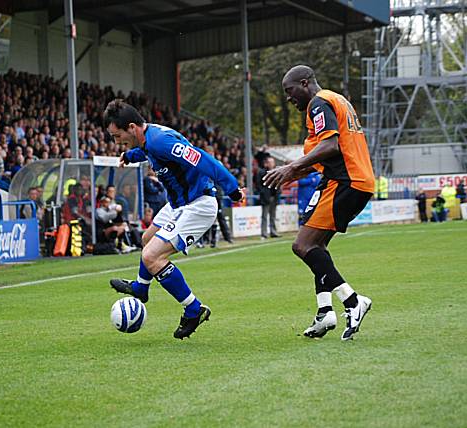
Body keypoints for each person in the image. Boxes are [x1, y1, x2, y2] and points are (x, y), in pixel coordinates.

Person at [104, 99, 245, 339]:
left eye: (118, 137)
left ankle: (194, 309)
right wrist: (130, 156)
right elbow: (149, 153)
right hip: (178, 203)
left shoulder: (161, 141)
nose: (117, 142)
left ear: (132, 127)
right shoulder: (149, 138)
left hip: (198, 204)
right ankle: (140, 288)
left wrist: (232, 189)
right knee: (147, 240)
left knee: (152, 256)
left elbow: (204, 160)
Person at [263, 65, 374, 341]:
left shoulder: (319, 102)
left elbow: (332, 146)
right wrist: (292, 171)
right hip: (348, 180)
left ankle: (352, 301)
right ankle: (325, 312)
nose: (289, 99)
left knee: (303, 245)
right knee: (317, 247)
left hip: (345, 182)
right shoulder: (336, 101)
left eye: (290, 91)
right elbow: (325, 156)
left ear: (305, 83)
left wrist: (291, 168)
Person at [257, 156, 281, 239]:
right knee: (264, 216)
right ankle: (264, 233)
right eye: (270, 162)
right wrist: (264, 193)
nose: (272, 164)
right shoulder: (261, 172)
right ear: (266, 163)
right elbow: (259, 185)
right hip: (265, 198)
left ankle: (273, 231)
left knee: (273, 216)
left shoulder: (276, 172)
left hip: (274, 197)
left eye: (273, 162)